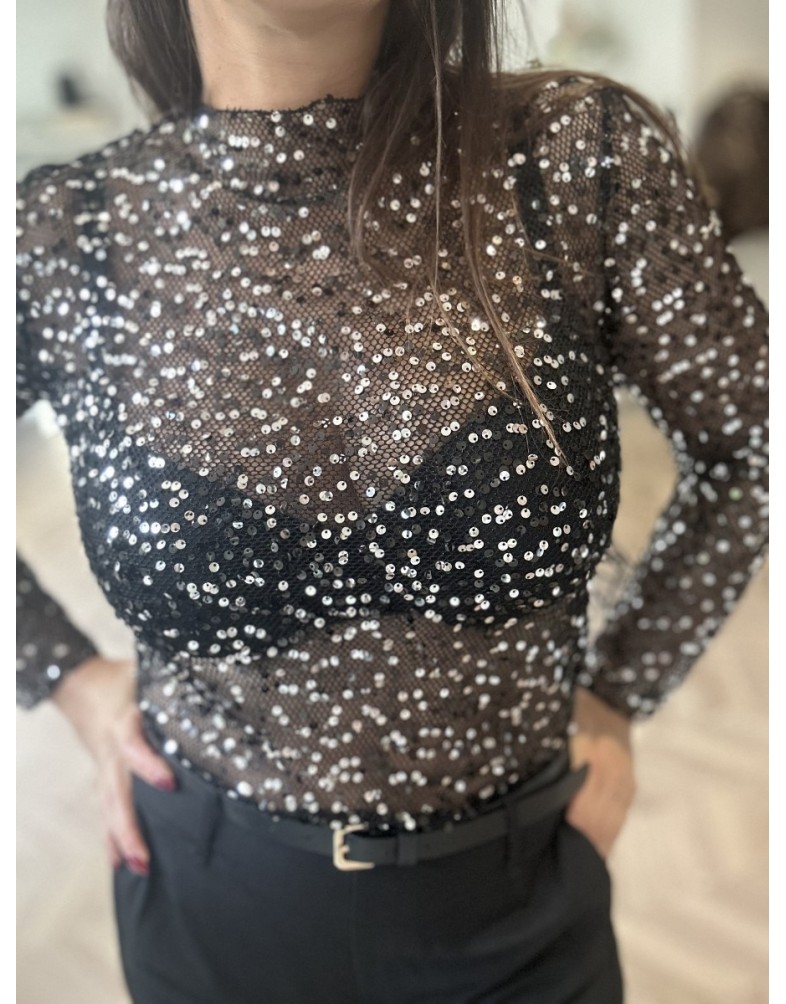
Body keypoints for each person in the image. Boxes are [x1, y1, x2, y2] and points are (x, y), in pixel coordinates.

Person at [16, 1, 768, 1001]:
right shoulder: (67, 234)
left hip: (518, 902)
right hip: (206, 901)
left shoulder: (576, 161)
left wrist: (625, 685)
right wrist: (67, 675)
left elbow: (751, 446)